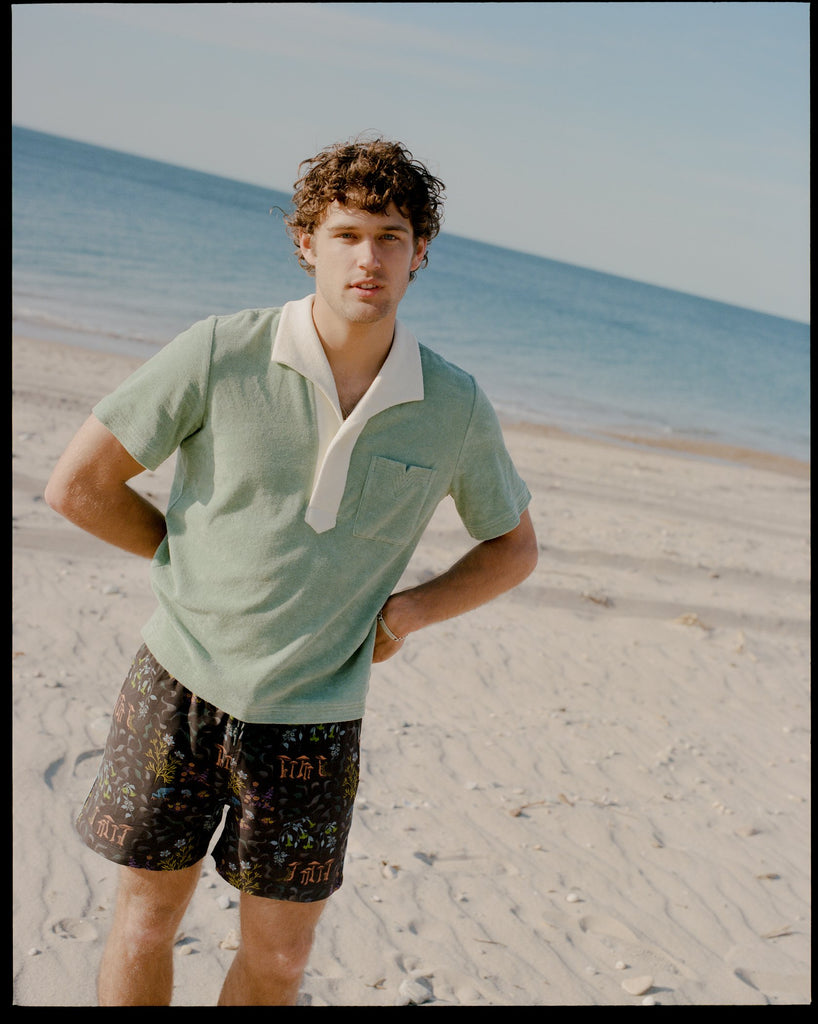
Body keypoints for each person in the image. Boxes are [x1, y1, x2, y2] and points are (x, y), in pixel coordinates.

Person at [45, 136, 538, 1006]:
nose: (368, 258)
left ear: (420, 252)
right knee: (146, 925)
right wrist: (187, 560)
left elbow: (513, 547)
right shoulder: (219, 351)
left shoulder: (453, 405)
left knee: (278, 963)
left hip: (315, 726)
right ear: (307, 243)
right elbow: (79, 486)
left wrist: (407, 613)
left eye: (390, 237)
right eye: (347, 235)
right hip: (177, 689)